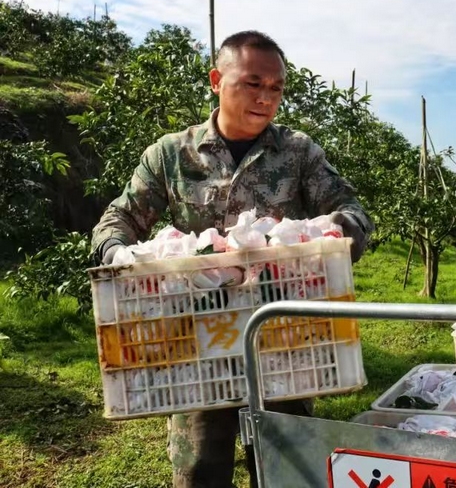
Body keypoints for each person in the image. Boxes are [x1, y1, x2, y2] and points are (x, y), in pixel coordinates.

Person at [91, 30, 374, 488]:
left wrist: (335, 230)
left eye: (276, 88)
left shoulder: (298, 152)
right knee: (201, 468)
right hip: (197, 342)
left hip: (285, 340)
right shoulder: (171, 155)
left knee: (288, 468)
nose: (266, 98)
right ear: (216, 80)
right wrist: (120, 254)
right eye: (252, 83)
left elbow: (353, 211)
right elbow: (117, 220)